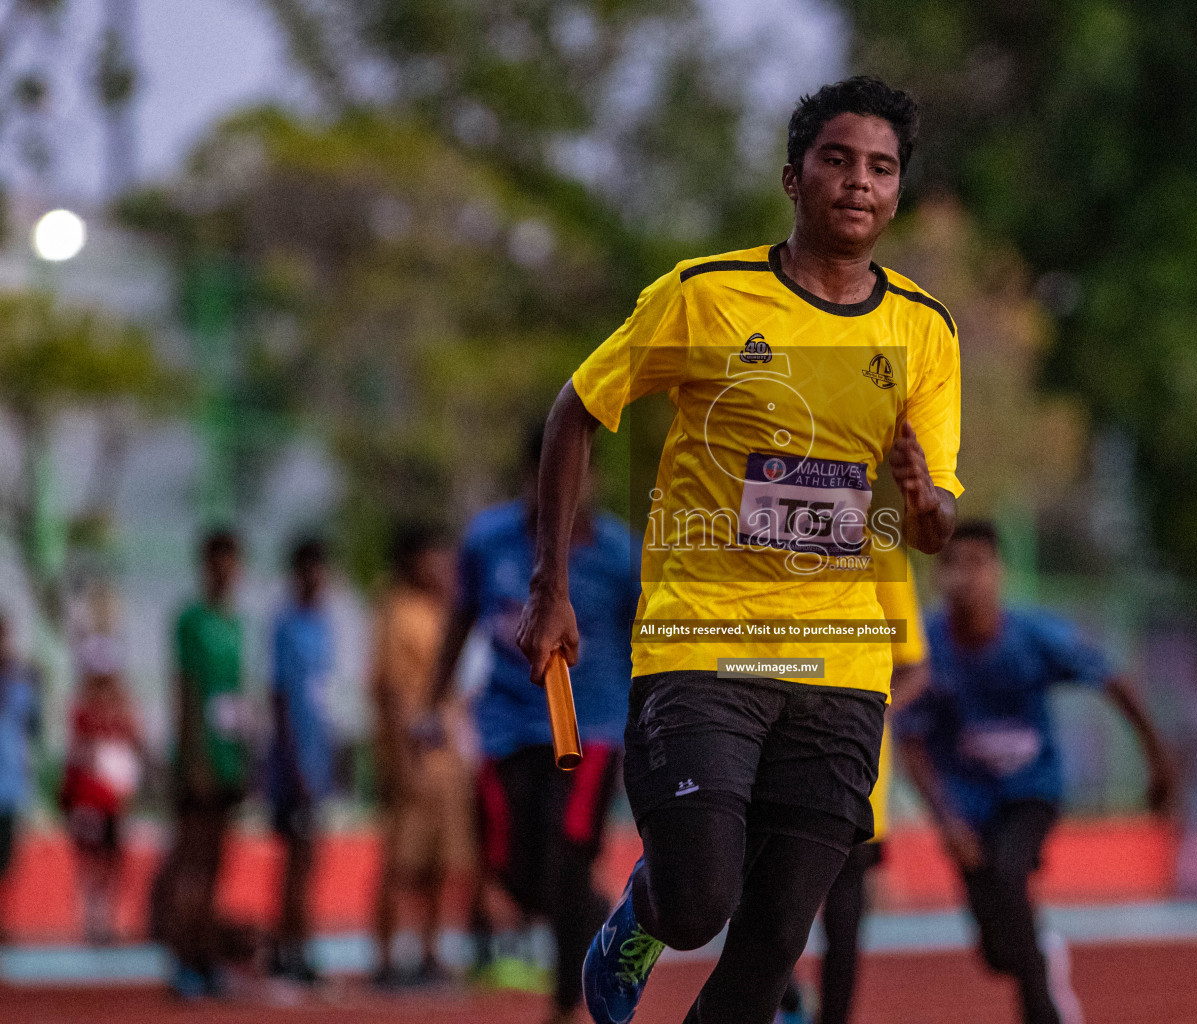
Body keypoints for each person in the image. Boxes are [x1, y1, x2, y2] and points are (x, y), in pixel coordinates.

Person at [516, 77, 962, 1024]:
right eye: (837, 160)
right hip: (703, 644)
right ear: (793, 177)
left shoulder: (923, 331)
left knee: (768, 945)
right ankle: (638, 914)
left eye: (882, 168)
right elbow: (576, 411)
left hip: (839, 662)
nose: (859, 183)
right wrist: (549, 584)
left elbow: (934, 523)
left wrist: (925, 509)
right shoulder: (706, 297)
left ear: (897, 193)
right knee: (699, 903)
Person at [895, 520, 1175, 1024]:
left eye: (977, 564)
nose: (965, 577)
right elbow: (910, 742)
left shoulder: (1037, 636)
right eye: (952, 565)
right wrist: (947, 822)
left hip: (1031, 792)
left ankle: (1042, 1013)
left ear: (999, 572)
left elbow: (1116, 683)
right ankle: (1040, 952)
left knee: (1008, 871)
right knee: (999, 953)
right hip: (965, 805)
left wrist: (1159, 763)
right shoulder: (927, 648)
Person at [425, 429, 639, 1023]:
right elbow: (459, 620)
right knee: (514, 876)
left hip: (590, 731)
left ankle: (567, 1006)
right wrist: (431, 704)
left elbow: (651, 641)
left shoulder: (620, 555)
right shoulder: (488, 542)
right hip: (506, 728)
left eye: (582, 474)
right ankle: (609, 918)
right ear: (533, 477)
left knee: (568, 861)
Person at [779, 549, 930, 1024]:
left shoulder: (882, 552)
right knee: (770, 907)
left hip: (854, 772)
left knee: (844, 922)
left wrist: (865, 711)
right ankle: (786, 1000)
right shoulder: (765, 534)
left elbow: (913, 666)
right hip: (776, 757)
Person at [371, 524, 472, 986]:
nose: (443, 567)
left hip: (446, 760)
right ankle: (387, 961)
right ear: (412, 560)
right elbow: (389, 691)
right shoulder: (396, 613)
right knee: (400, 863)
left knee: (439, 862)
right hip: (412, 761)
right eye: (434, 557)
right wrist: (402, 760)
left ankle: (430, 954)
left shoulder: (443, 612)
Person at [156, 529, 252, 998]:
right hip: (200, 761)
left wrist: (245, 754)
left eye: (233, 562)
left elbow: (236, 697)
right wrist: (193, 760)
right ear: (205, 564)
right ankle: (182, 964)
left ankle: (204, 957)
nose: (226, 570)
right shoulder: (191, 622)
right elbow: (187, 691)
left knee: (215, 865)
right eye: (218, 561)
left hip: (230, 759)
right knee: (191, 864)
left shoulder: (234, 623)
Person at [267, 537, 336, 984]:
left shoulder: (325, 625)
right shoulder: (284, 626)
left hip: (319, 759)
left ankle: (299, 944)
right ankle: (288, 949)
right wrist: (296, 766)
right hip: (294, 766)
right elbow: (280, 698)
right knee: (295, 859)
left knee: (311, 859)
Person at [61, 644, 144, 946]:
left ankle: (106, 920)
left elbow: (134, 752)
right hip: (90, 800)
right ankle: (92, 922)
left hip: (115, 802)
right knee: (92, 860)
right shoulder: (82, 714)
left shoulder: (124, 713)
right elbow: (78, 758)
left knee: (112, 860)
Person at [0, 613, 40, 944]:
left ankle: (3, 922)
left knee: (5, 861)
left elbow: (34, 730)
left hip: (9, 787)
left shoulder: (20, 685)